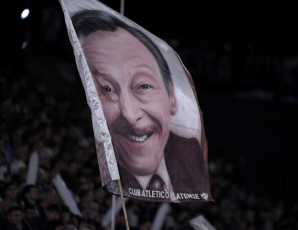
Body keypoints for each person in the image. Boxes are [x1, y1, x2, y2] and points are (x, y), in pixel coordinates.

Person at [71, 9, 211, 202]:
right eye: (107, 89)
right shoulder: (83, 167)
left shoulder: (189, 158)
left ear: (171, 95)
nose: (129, 114)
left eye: (143, 86)